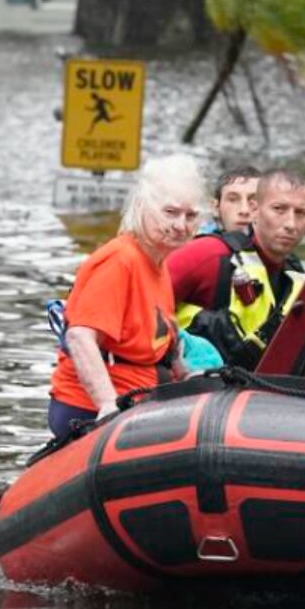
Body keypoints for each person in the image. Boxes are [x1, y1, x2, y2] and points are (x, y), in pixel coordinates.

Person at [46, 154, 203, 439]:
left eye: (191, 216)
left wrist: (189, 376)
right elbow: (80, 338)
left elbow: (158, 340)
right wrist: (108, 406)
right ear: (142, 206)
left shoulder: (158, 262)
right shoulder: (120, 260)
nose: (182, 225)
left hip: (144, 397)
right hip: (88, 409)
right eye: (170, 212)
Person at [168, 168, 305, 369]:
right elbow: (136, 305)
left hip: (258, 390)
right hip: (191, 388)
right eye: (279, 209)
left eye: (300, 213)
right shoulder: (208, 254)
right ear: (255, 210)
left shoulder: (300, 279)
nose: (290, 224)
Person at [198, 165, 261, 235]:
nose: (244, 210)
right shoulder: (200, 245)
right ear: (215, 207)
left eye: (255, 200)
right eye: (233, 200)